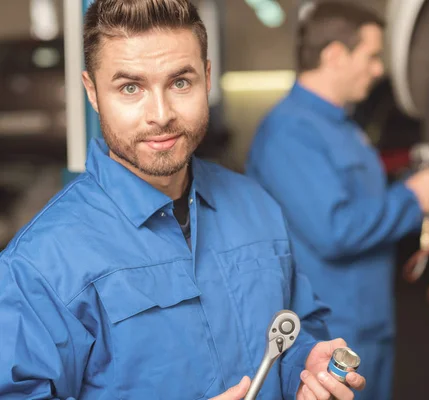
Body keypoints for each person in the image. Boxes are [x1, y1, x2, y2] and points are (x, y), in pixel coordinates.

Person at [0, 1, 368, 399]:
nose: (160, 114)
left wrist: (306, 367)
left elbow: (294, 326)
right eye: (130, 87)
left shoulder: (256, 207)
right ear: (92, 92)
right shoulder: (40, 263)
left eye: (180, 82)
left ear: (207, 77)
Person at [245, 1, 429, 399]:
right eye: (371, 56)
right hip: (328, 337)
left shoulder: (341, 126)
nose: (379, 69)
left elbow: (363, 202)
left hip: (370, 325)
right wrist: (415, 197)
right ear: (335, 56)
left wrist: (421, 184)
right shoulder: (289, 133)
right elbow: (336, 230)